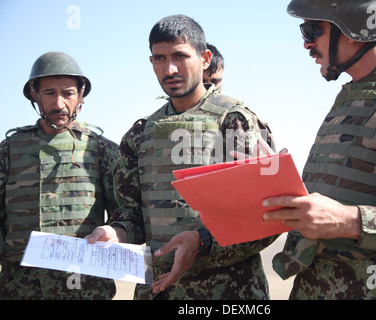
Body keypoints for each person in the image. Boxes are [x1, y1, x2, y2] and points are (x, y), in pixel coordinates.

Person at [261, 0, 376, 299]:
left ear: (353, 28)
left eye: (312, 30)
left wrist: (350, 221)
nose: (307, 44)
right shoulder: (355, 96)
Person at [87, 14, 277, 300]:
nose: (170, 69)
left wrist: (202, 241)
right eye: (159, 59)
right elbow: (132, 215)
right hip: (158, 290)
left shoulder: (235, 121)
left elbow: (266, 216)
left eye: (180, 56)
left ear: (204, 58)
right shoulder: (140, 134)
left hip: (229, 291)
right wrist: (118, 233)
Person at [0, 51, 119, 299]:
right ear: (34, 94)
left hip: (87, 288)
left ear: (81, 95)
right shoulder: (9, 150)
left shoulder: (102, 150)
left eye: (68, 94)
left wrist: (114, 233)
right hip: (21, 287)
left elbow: (126, 215)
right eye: (49, 93)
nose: (58, 104)